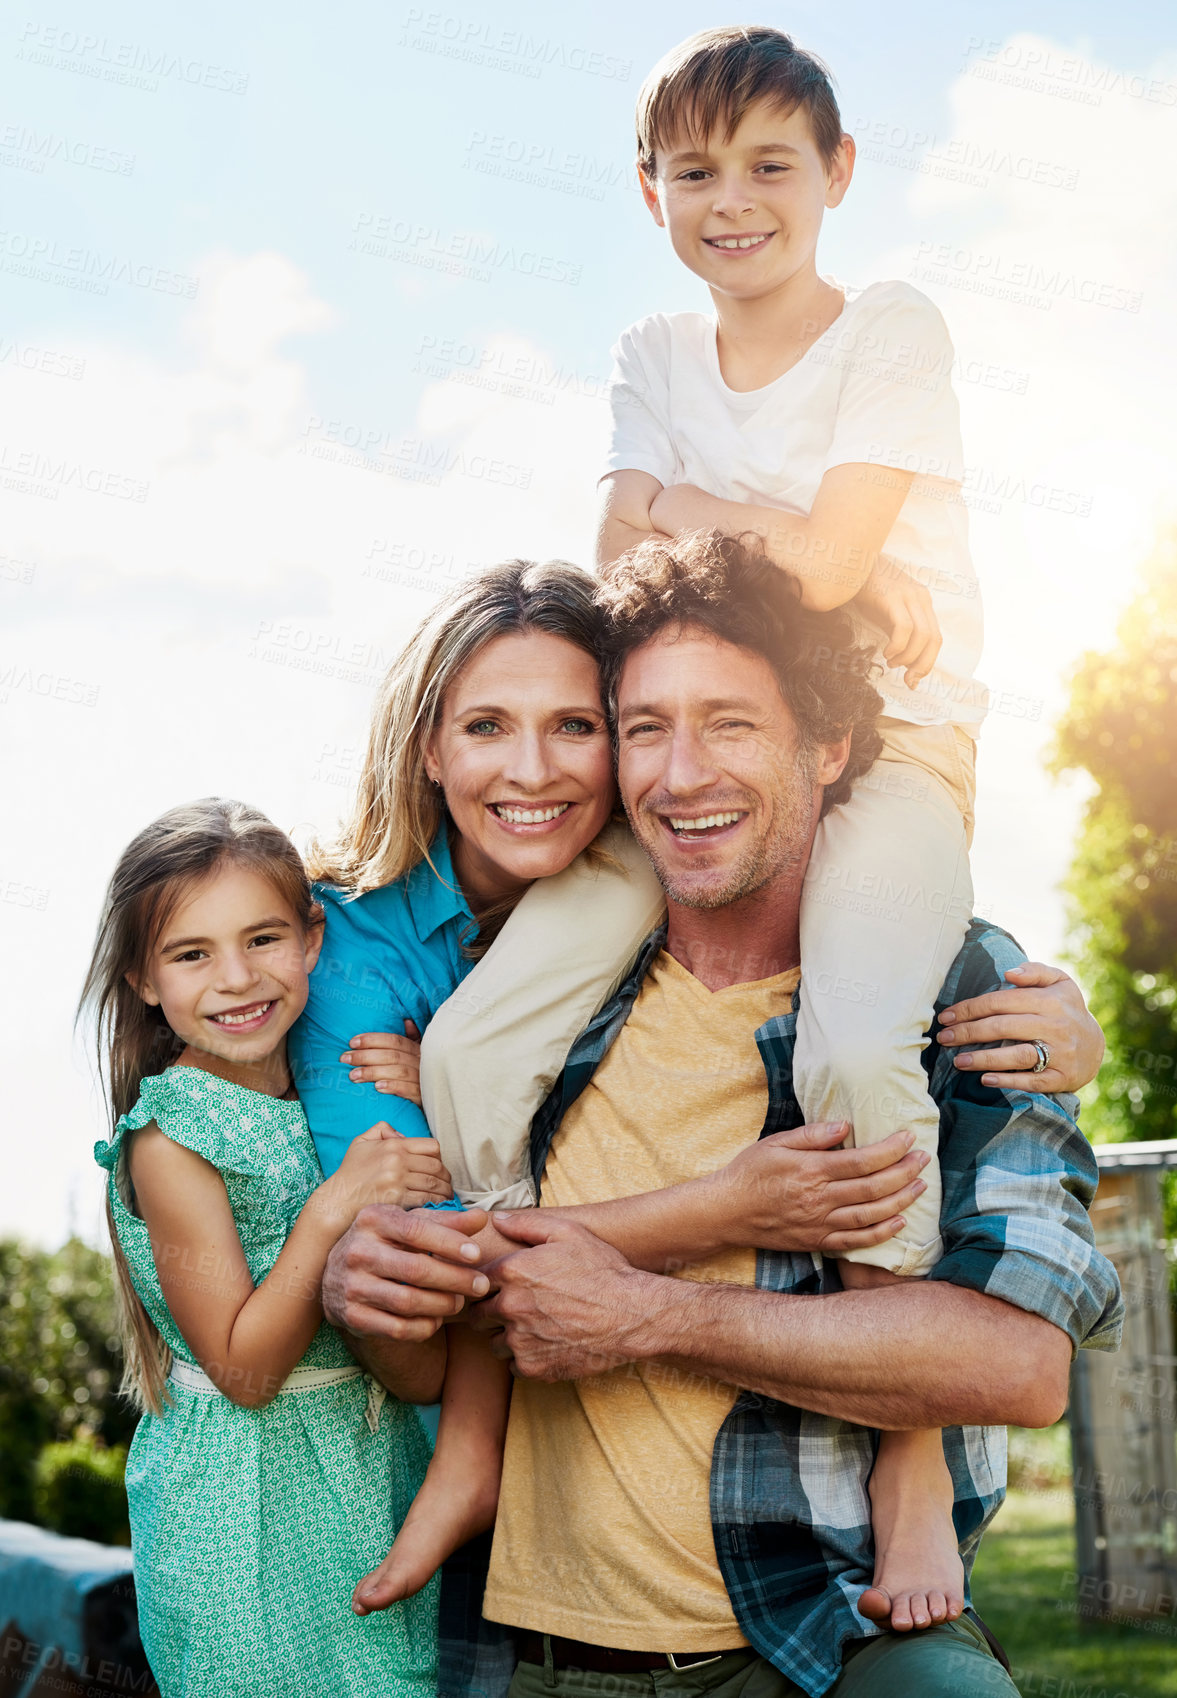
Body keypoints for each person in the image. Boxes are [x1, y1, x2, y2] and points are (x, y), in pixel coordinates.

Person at [323, 533, 1123, 1698]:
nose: (681, 775)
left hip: (821, 1633)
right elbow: (439, 1353)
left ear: (830, 744)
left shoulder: (958, 990)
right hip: (533, 1653)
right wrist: (369, 1290)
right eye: (645, 727)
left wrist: (652, 1315)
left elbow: (1018, 1367)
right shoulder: (518, 984)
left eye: (732, 724)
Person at [288, 559, 933, 1611]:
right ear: (428, 752)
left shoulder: (672, 880)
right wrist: (726, 1205)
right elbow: (445, 1281)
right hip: (388, 1455)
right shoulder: (349, 961)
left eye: (576, 727)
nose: (534, 771)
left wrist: (1053, 1032)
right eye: (486, 727)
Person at [593, 23, 1002, 1627]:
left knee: (848, 1047)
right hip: (717, 758)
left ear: (836, 175)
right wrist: (759, 528)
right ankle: (495, 1378)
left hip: (897, 741)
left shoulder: (891, 326)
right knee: (496, 1025)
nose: (734, 198)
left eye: (771, 164)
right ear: (651, 194)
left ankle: (907, 1447)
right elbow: (615, 543)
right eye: (696, 171)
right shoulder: (648, 348)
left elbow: (833, 582)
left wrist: (697, 523)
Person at [82, 799, 453, 1698]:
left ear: (312, 938)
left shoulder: (332, 1100)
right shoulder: (172, 1139)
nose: (237, 979)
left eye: (263, 939)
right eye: (192, 954)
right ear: (142, 978)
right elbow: (245, 1374)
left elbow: (421, 1368)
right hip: (240, 1519)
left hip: (368, 1476)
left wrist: (437, 1080)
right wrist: (329, 1214)